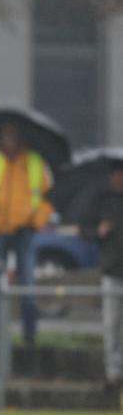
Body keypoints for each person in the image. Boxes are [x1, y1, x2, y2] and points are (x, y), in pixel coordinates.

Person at [0, 123, 54, 346]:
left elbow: (49, 196)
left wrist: (37, 220)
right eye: (6, 136)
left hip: (25, 230)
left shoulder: (35, 162)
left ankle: (30, 336)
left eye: (14, 136)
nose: (10, 140)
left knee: (28, 282)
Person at [92, 166, 123, 399]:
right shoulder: (103, 203)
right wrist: (97, 231)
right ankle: (113, 375)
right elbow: (84, 230)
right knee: (111, 326)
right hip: (112, 272)